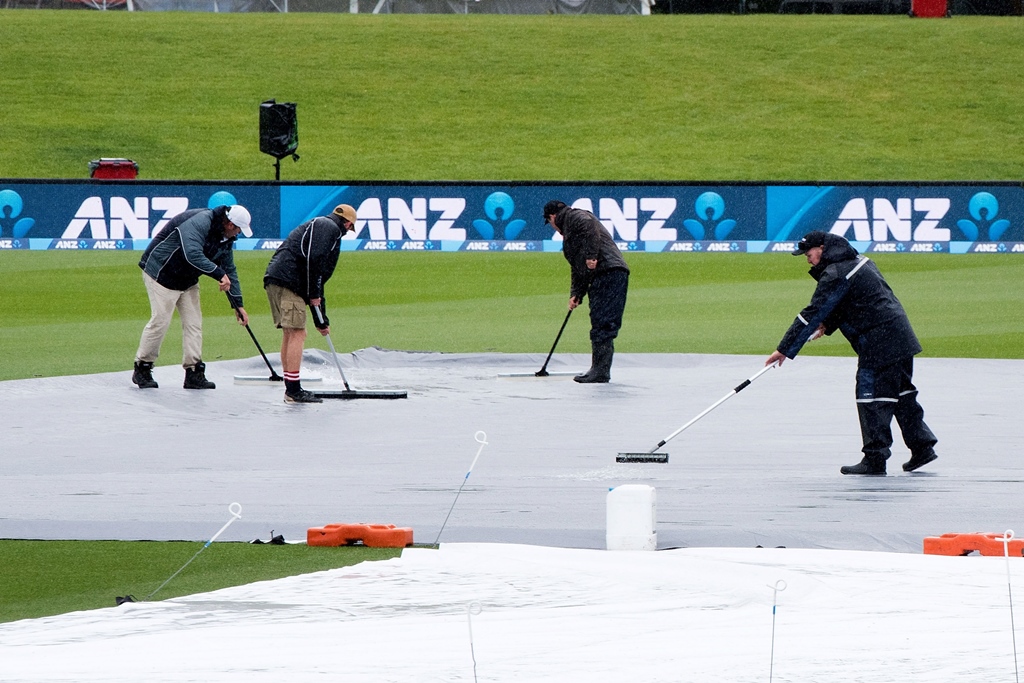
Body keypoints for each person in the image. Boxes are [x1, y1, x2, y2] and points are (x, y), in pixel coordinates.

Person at [766, 230, 939, 475]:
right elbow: (851, 301)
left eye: (809, 252)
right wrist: (828, 325)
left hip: (878, 341)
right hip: (899, 335)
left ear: (823, 248)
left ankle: (875, 459)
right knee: (901, 393)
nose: (807, 258)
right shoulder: (859, 261)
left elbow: (813, 311)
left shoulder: (836, 272)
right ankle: (922, 447)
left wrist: (784, 350)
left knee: (871, 397)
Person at [132, 205, 252, 390]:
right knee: (160, 321)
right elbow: (192, 254)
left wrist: (238, 304)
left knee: (194, 324)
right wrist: (218, 273)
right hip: (161, 272)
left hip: (186, 279)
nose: (238, 234)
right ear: (229, 224)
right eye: (238, 229)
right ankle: (142, 367)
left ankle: (194, 373)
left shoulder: (226, 238)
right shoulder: (200, 221)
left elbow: (230, 269)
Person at [263, 204, 356, 404]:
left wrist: (321, 319)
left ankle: (291, 385)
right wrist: (314, 296)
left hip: (277, 278)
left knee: (290, 332)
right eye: (349, 228)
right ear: (347, 224)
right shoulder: (329, 228)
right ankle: (293, 391)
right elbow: (314, 263)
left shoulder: (321, 224)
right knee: (297, 332)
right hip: (289, 281)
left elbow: (317, 275)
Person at [543, 200, 630, 383]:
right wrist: (576, 293)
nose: (553, 227)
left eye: (550, 223)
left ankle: (600, 371)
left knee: (603, 323)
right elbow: (578, 267)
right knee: (599, 320)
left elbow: (590, 225)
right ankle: (598, 369)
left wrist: (591, 255)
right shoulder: (569, 233)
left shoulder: (574, 217)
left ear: (552, 217)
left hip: (609, 272)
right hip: (603, 275)